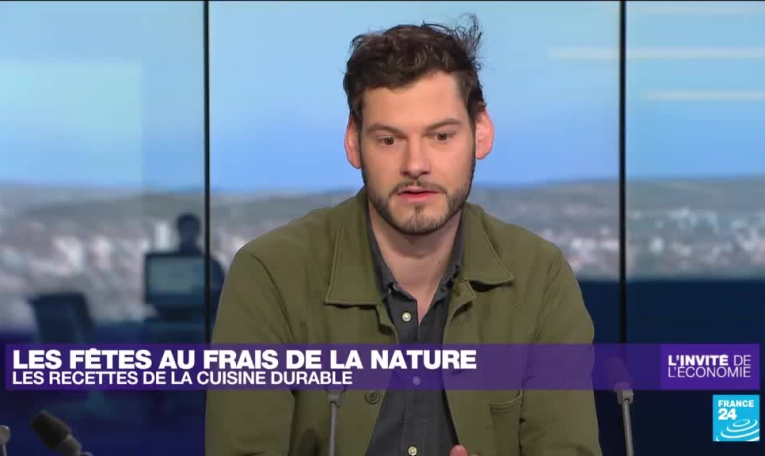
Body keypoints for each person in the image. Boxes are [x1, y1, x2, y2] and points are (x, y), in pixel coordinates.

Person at [206, 15, 601, 456]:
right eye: (389, 140)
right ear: (354, 143)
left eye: (441, 136)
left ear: (481, 133)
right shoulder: (270, 277)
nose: (416, 164)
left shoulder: (540, 278)